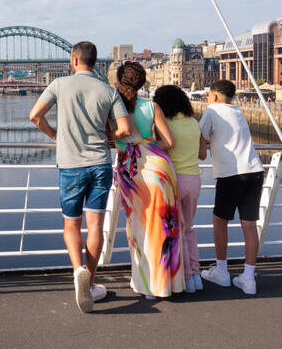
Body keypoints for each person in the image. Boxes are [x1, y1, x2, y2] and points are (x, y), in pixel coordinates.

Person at [29, 41, 130, 313]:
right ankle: (91, 283)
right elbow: (124, 128)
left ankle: (77, 272)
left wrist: (55, 135)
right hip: (100, 164)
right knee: (95, 226)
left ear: (74, 60)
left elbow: (35, 116)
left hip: (70, 166)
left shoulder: (59, 85)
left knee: (71, 225)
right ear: (94, 62)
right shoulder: (109, 91)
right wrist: (107, 137)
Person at [113, 63, 185, 299]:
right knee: (165, 228)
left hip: (131, 171)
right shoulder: (151, 106)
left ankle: (146, 285)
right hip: (159, 170)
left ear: (119, 80)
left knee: (139, 227)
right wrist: (146, 146)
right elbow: (169, 143)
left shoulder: (113, 108)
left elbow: (110, 139)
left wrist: (128, 146)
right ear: (142, 82)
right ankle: (166, 284)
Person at [199, 80, 264, 295]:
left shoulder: (211, 110)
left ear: (215, 95)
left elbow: (201, 137)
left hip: (231, 173)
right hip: (254, 170)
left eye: (209, 95)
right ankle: (248, 277)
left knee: (220, 220)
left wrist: (203, 150)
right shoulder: (237, 111)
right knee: (249, 224)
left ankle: (222, 271)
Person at [153, 85, 207, 293]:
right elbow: (202, 153)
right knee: (189, 229)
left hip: (174, 180)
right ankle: (196, 274)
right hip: (194, 179)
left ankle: (186, 278)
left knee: (177, 230)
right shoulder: (194, 123)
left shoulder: (165, 124)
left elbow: (158, 146)